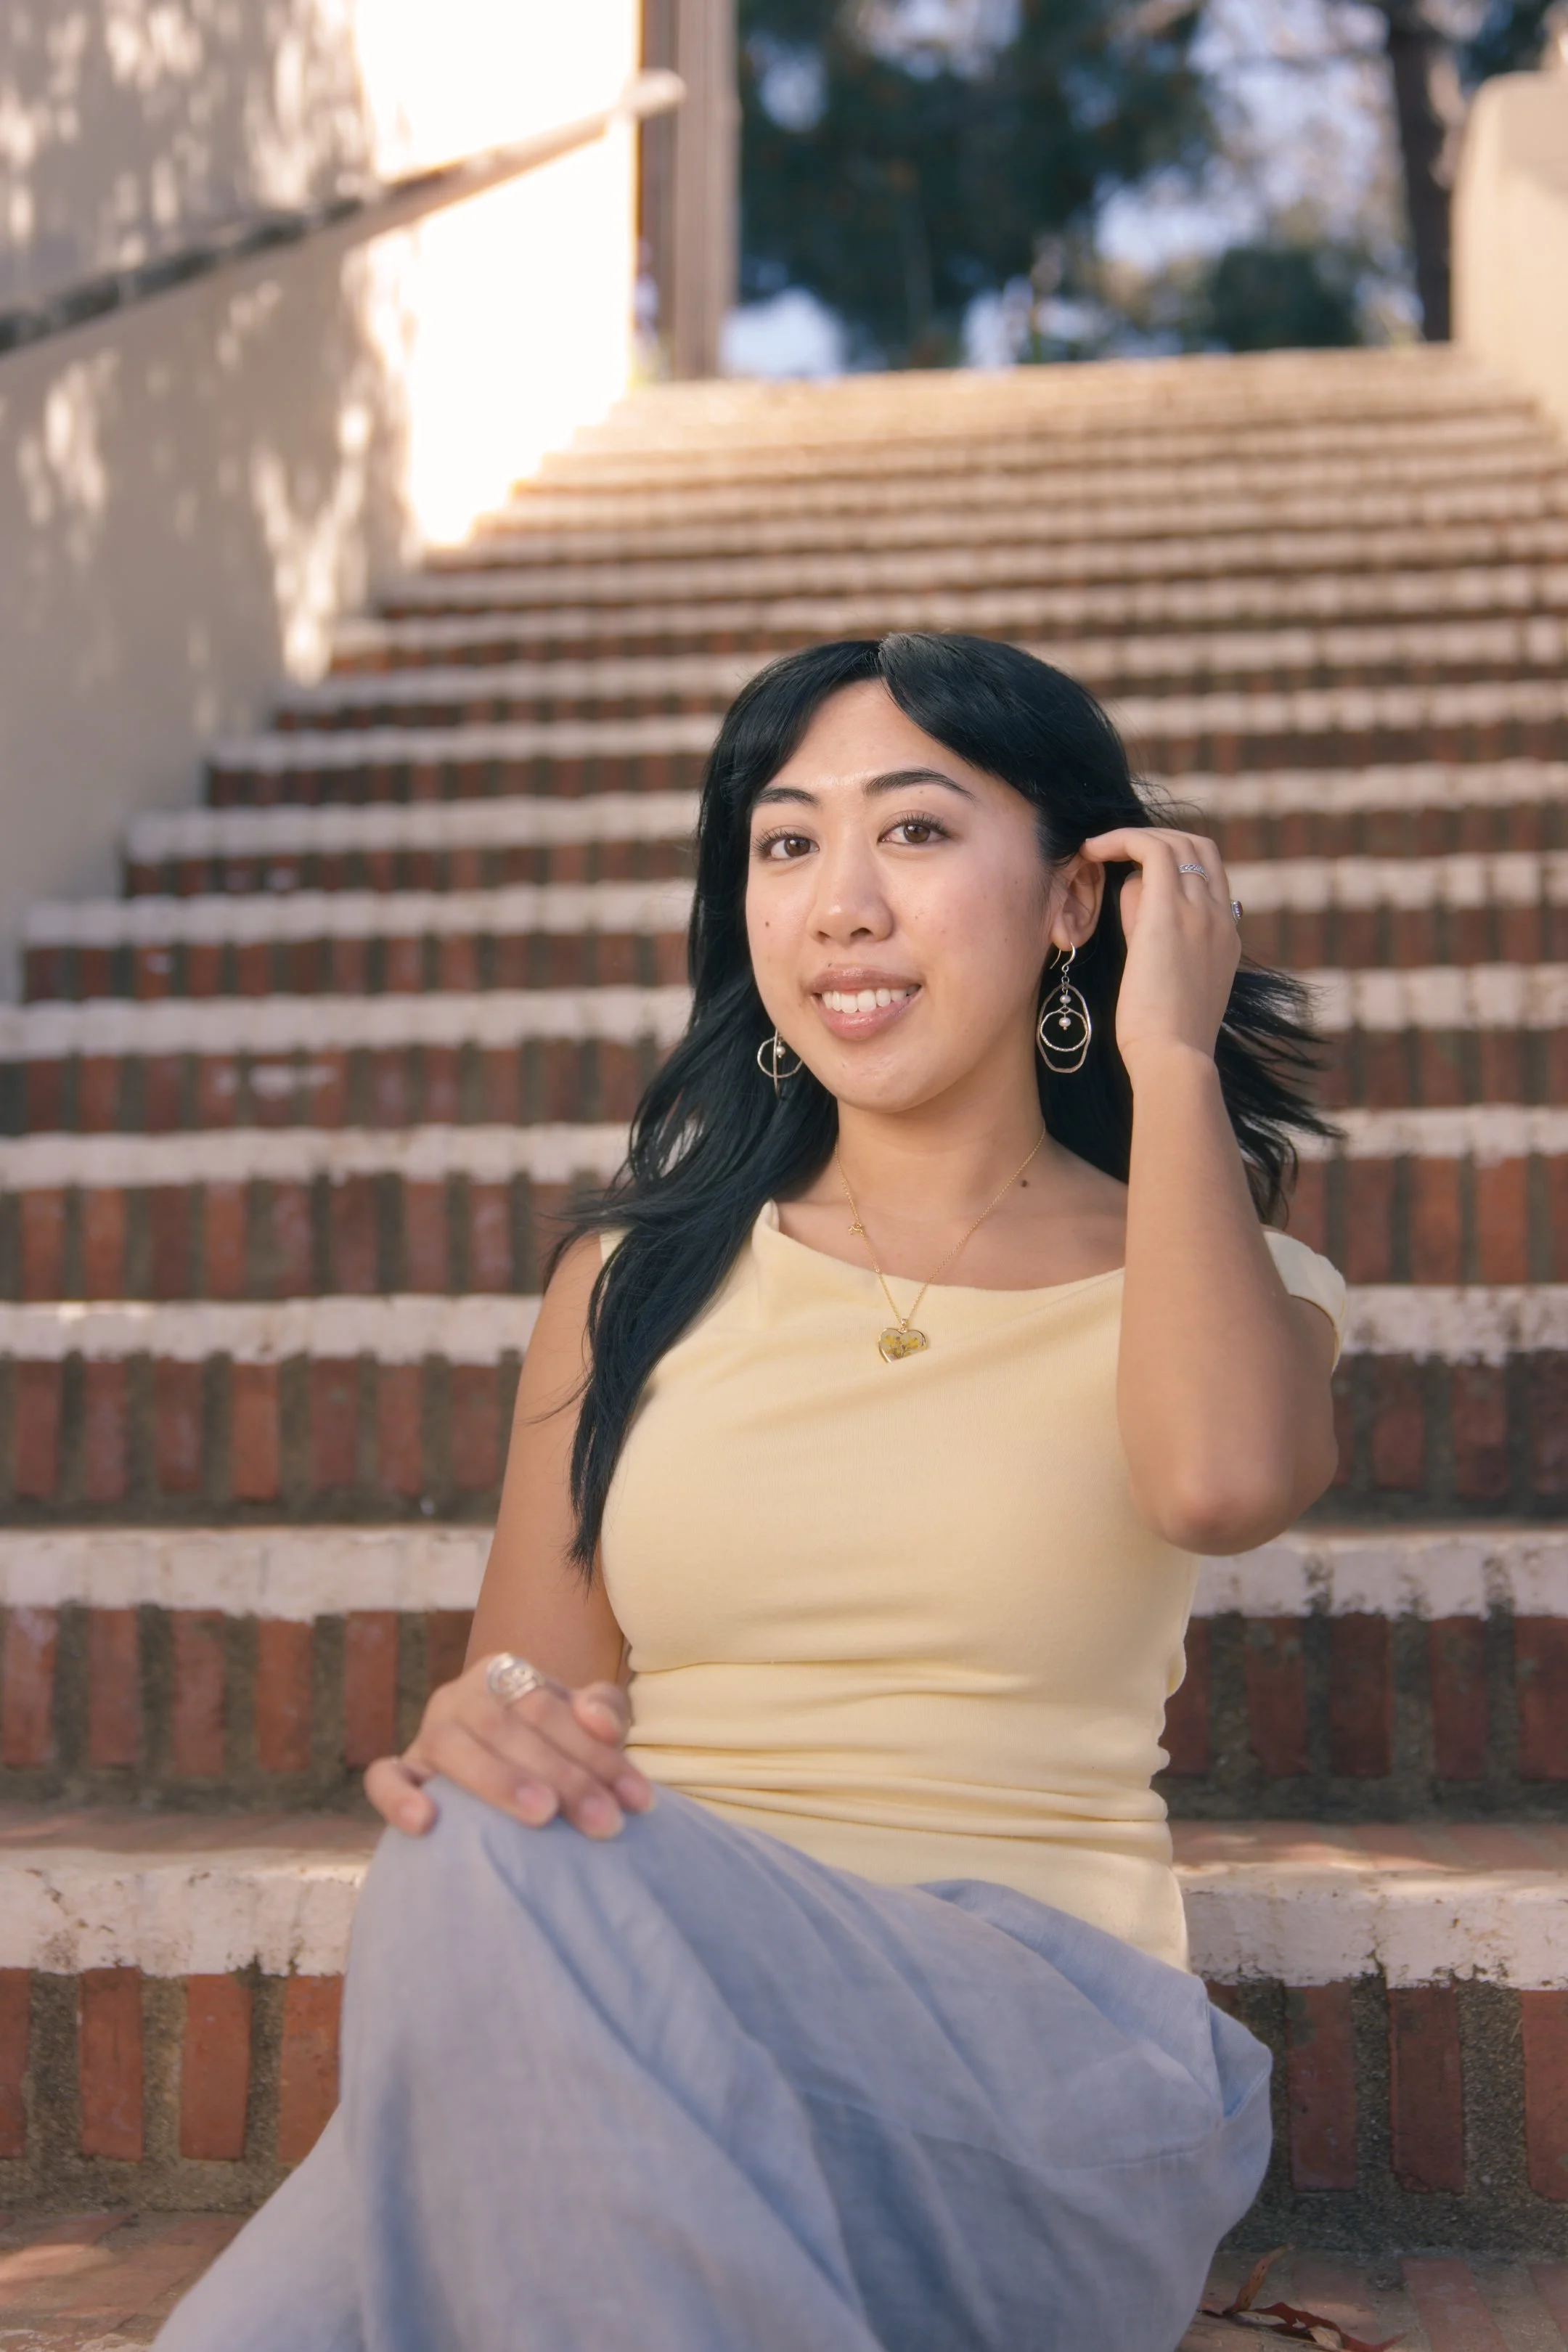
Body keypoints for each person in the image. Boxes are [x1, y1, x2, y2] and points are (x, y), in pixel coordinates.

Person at [159, 633, 1344, 2352]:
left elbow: (1224, 1482)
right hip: (658, 2017)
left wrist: (1174, 1059)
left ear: (1081, 899)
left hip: (1034, 2065)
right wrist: (480, 1730)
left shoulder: (1238, 1278)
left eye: (919, 834)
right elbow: (531, 1711)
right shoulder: (629, 1283)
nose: (840, 904)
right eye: (786, 844)